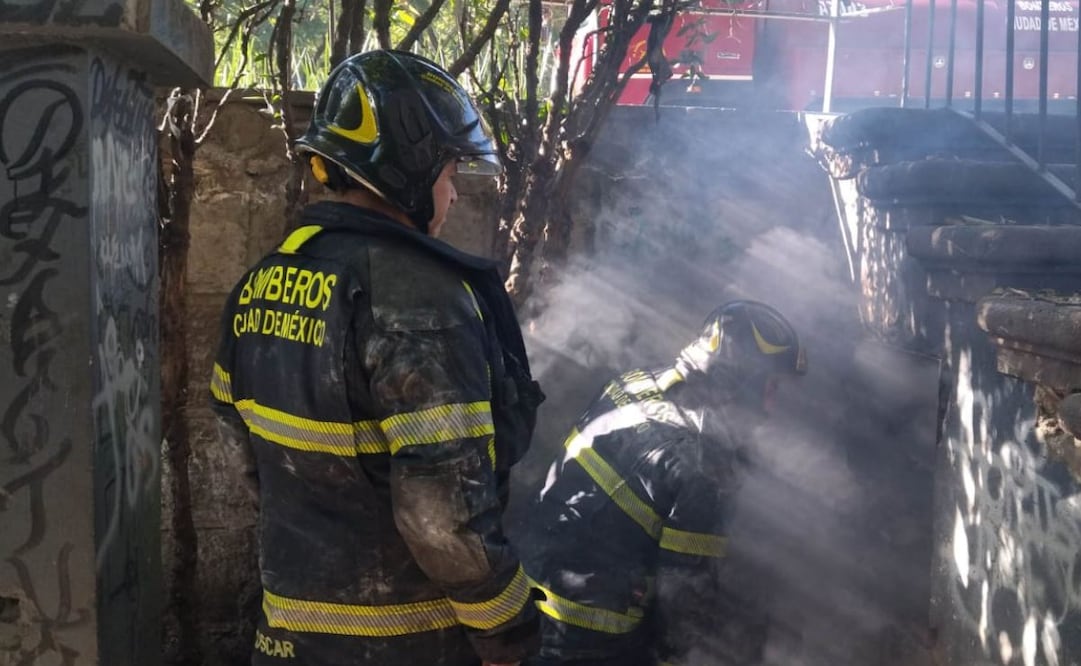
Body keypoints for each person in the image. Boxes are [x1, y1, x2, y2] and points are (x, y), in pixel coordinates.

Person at [209, 49, 544, 666]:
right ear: (408, 168)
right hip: (407, 644)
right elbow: (443, 511)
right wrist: (508, 629)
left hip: (286, 637)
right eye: (447, 171)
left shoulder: (263, 280)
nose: (450, 192)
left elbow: (246, 453)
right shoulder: (419, 300)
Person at [522, 301, 807, 666]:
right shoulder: (706, 464)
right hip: (589, 634)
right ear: (741, 380)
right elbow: (684, 592)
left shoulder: (633, 383)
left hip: (524, 590)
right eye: (770, 387)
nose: (772, 406)